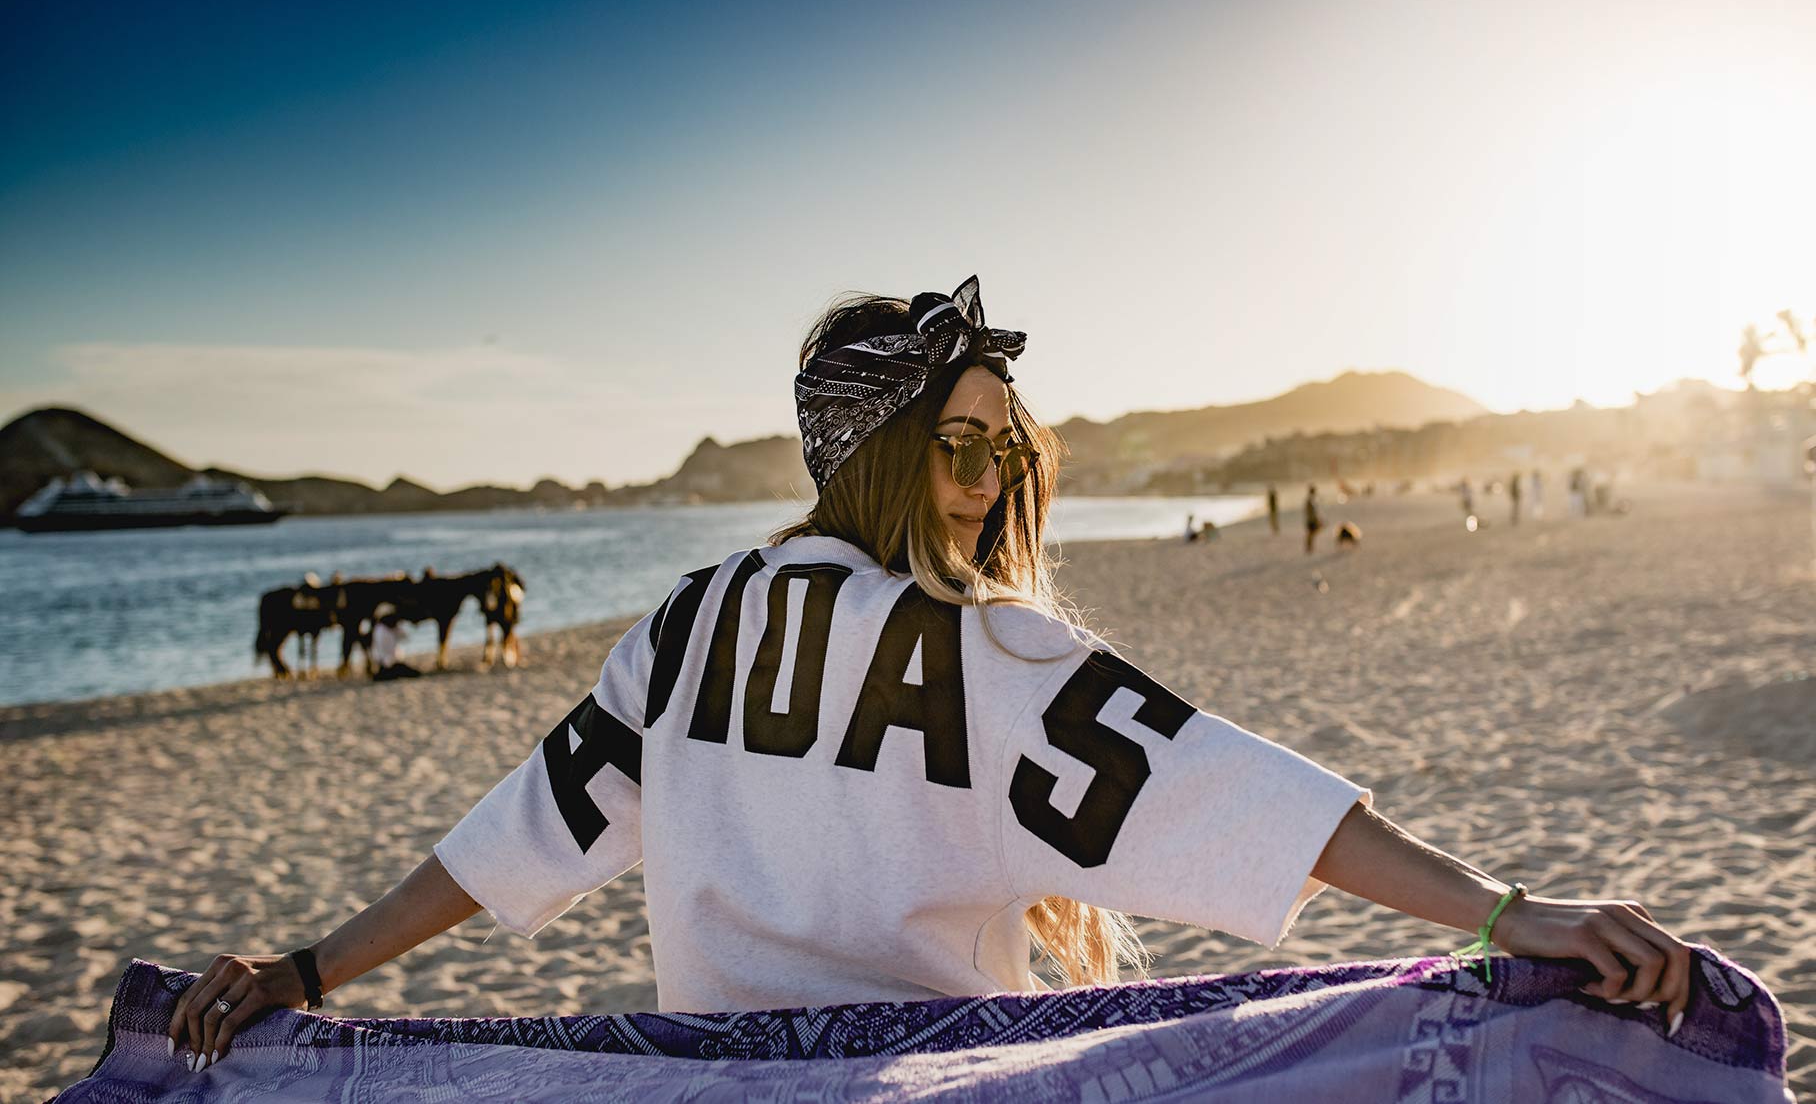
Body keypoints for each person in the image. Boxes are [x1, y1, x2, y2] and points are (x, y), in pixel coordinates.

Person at [167, 277, 1694, 1070]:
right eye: (956, 445)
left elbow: (514, 838)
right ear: (874, 454)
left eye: (1002, 449)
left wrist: (312, 970)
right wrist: (1504, 913)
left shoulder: (691, 620)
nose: (985, 480)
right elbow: (1260, 804)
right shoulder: (990, 648)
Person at [369, 604, 421, 682]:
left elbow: (405, 637)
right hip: (386, 664)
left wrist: (396, 627)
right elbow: (381, 654)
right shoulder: (380, 630)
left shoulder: (390, 628)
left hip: (391, 663)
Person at [1303, 483, 1323, 553]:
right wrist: (1315, 518)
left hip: (1311, 519)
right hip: (1311, 519)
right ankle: (1309, 547)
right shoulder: (1310, 500)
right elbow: (1310, 511)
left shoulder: (1311, 499)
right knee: (1311, 533)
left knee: (1311, 533)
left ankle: (1309, 547)